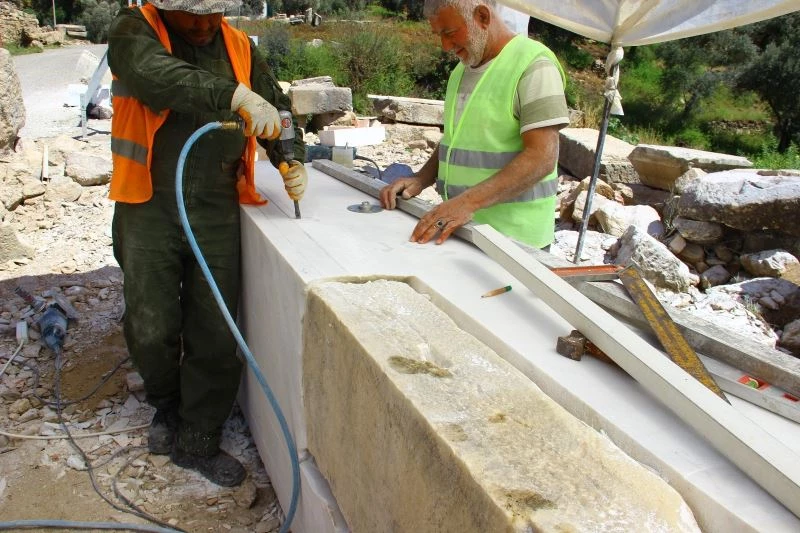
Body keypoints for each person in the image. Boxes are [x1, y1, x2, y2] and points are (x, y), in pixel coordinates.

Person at [107, 0, 306, 487]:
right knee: (151, 321)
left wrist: (289, 156)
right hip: (147, 200)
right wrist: (233, 95)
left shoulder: (239, 45)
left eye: (211, 15)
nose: (202, 25)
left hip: (215, 202)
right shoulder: (135, 30)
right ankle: (167, 407)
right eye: (190, 15)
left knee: (215, 325)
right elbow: (158, 77)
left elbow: (272, 103)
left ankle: (199, 437)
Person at [379, 0, 568, 250]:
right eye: (439, 35)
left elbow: (542, 157)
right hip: (466, 229)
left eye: (449, 33)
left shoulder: (534, 65)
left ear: (482, 16)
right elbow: (455, 140)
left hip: (517, 241)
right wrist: (421, 178)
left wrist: (467, 203)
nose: (445, 46)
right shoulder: (461, 71)